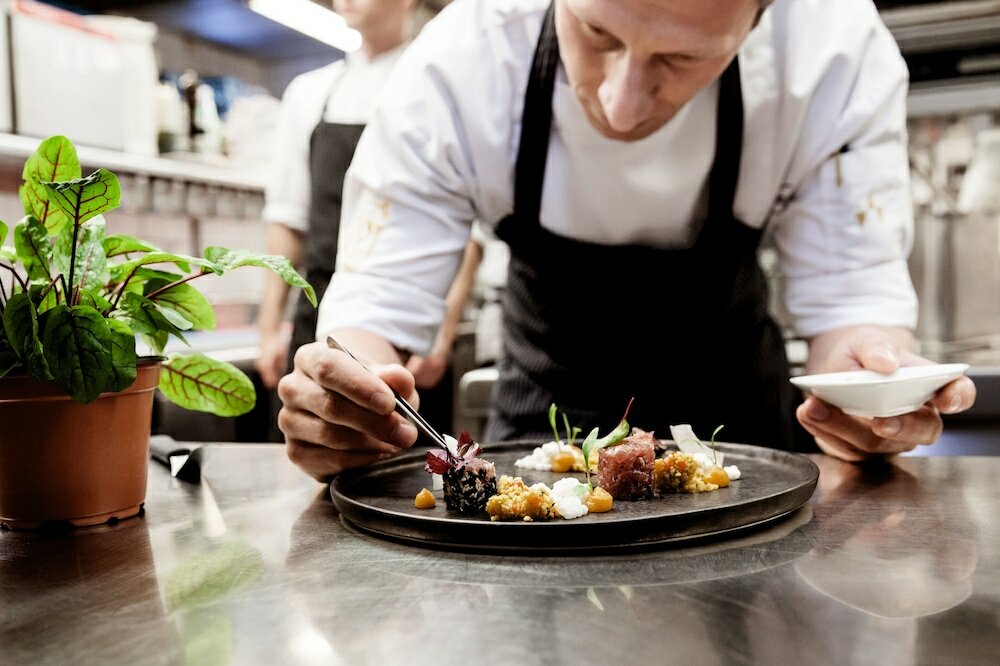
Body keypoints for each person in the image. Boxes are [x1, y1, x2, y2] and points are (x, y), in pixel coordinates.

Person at [277, 0, 977, 480]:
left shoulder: (830, 51)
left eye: (681, 58)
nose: (620, 102)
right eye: (598, 33)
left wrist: (869, 393)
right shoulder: (465, 57)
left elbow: (850, 299)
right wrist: (343, 407)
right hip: (538, 433)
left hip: (748, 444)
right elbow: (374, 312)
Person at [255, 0, 417, 390]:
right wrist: (268, 328)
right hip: (317, 306)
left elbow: (463, 226)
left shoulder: (428, 86)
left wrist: (442, 333)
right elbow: (288, 221)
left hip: (406, 313)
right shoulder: (309, 92)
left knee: (406, 445)